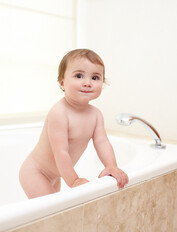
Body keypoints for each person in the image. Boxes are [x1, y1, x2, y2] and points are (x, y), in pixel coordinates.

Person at [19, 49, 129, 199]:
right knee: (52, 211)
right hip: (36, 172)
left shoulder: (95, 115)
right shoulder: (59, 113)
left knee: (52, 215)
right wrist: (74, 181)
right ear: (62, 83)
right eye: (79, 76)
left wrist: (111, 166)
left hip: (55, 175)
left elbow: (102, 142)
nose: (87, 83)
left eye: (95, 77)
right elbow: (61, 151)